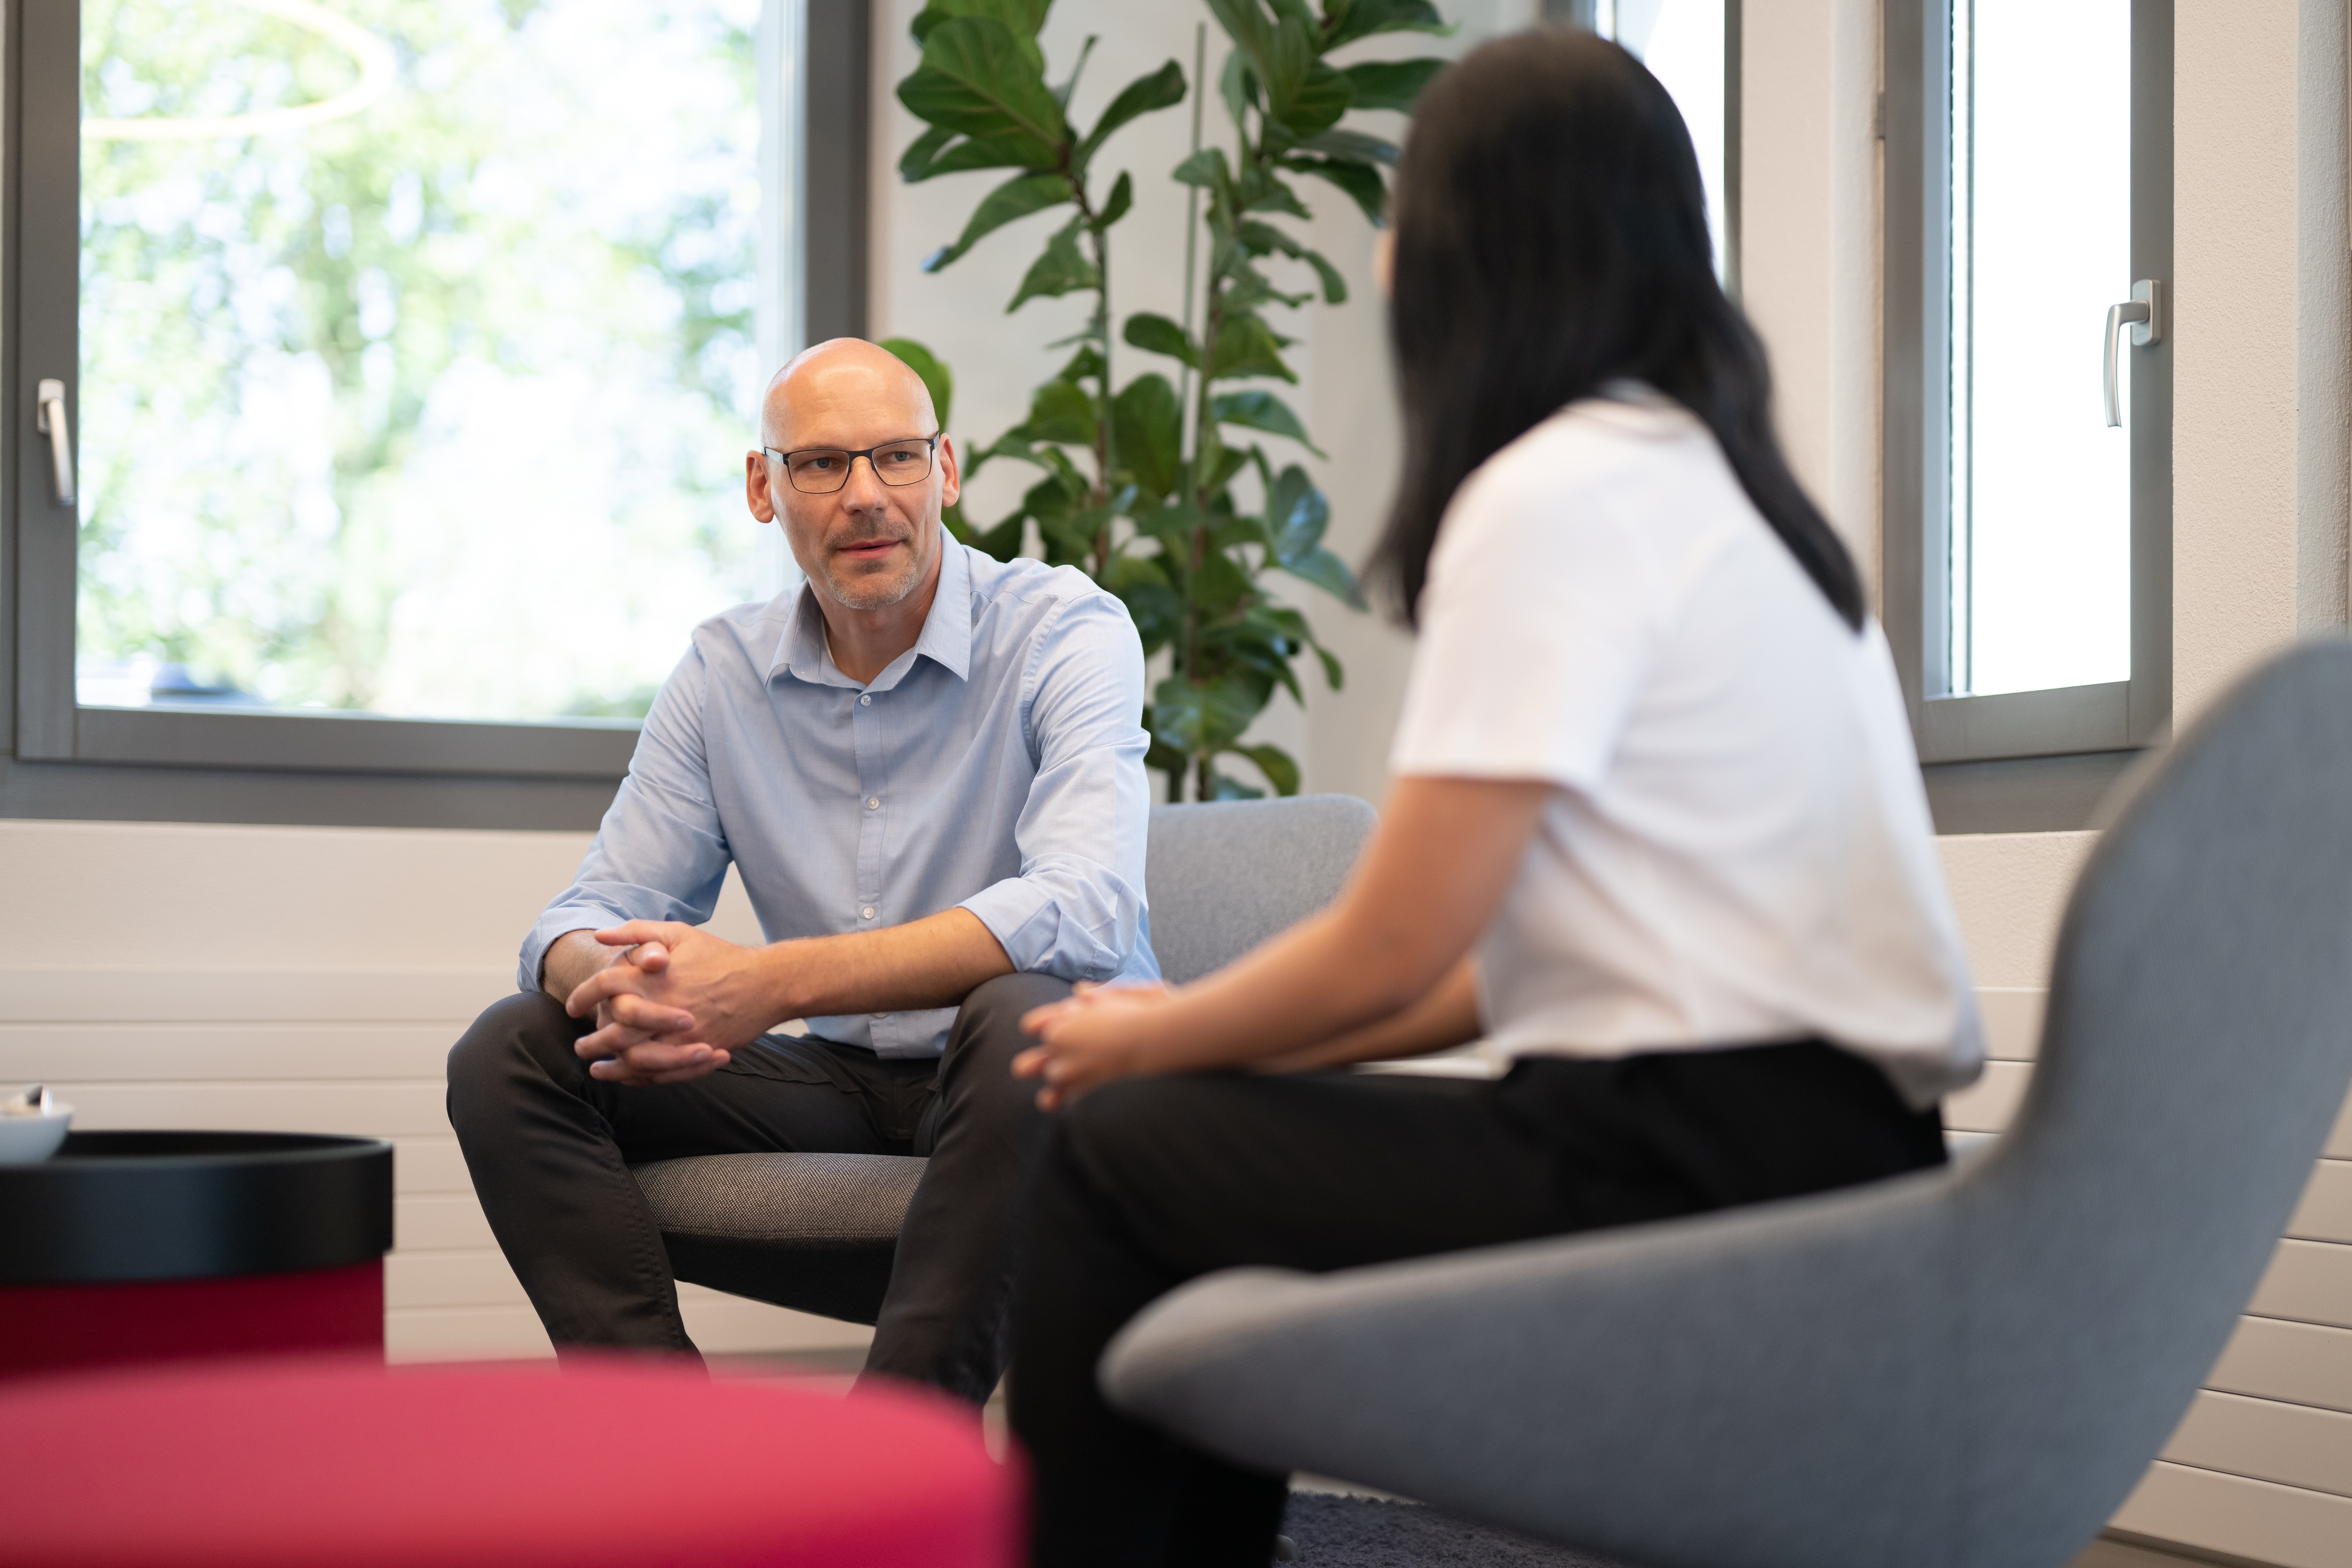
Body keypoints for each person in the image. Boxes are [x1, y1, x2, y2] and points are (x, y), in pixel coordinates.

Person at [1002, 29, 1984, 1567]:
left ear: (1471, 245)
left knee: (1118, 1150)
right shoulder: (1734, 497)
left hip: (1685, 1177)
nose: (1385, 251)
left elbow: (1395, 946)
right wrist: (1185, 1051)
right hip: (1841, 1159)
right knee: (1175, 1128)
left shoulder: (1556, 494)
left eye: (1406, 211)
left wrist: (1154, 1030)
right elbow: (1473, 973)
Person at [446, 337, 1156, 1403]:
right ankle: (667, 1454)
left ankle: (893, 1461)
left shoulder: (1066, 630)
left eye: (897, 458)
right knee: (517, 1047)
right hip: (843, 1080)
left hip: (1041, 1079)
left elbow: (1083, 903)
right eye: (821, 464)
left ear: (947, 471)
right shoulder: (723, 670)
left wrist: (771, 983)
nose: (866, 495)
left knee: (1024, 1009)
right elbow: (588, 911)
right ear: (762, 488)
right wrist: (621, 978)